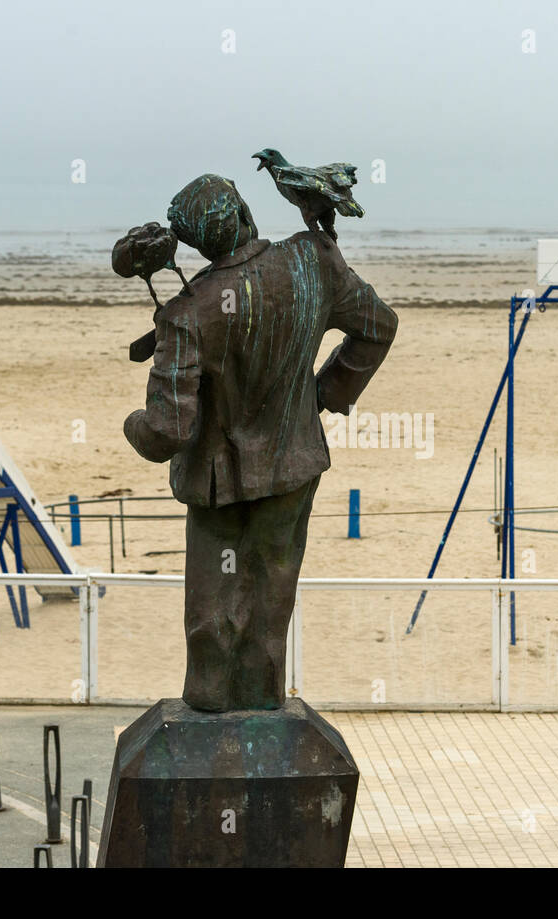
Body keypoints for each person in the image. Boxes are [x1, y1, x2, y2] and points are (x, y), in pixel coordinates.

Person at [122, 173, 398, 711]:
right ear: (246, 213)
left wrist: (133, 423)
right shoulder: (314, 262)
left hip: (216, 482)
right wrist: (322, 392)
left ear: (197, 244)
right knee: (273, 585)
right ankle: (260, 699)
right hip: (292, 466)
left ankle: (209, 700)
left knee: (213, 596)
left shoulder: (187, 312)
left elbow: (166, 432)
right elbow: (377, 327)